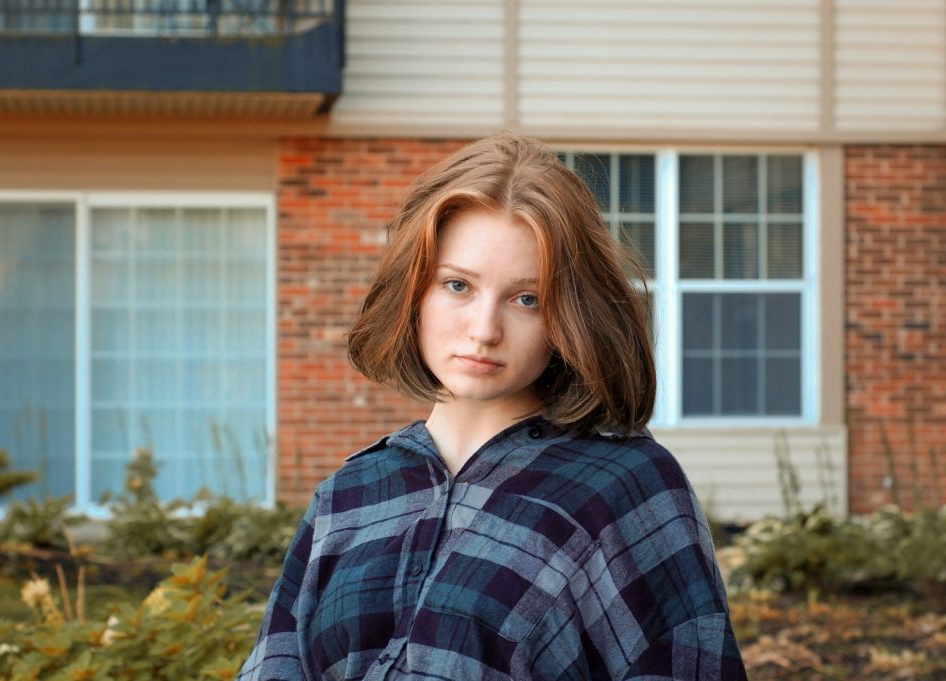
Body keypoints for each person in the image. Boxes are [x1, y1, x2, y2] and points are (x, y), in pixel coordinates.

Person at [238, 134, 747, 680]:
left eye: (526, 299)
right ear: (414, 292)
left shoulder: (625, 489)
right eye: (458, 285)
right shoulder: (350, 496)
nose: (484, 330)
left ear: (566, 316)